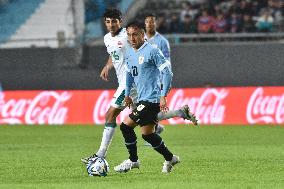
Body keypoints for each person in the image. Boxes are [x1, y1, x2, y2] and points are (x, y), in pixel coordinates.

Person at [81, 8, 197, 164]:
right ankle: (177, 114)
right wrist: (108, 66)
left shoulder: (128, 35)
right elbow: (113, 54)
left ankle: (102, 154)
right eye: (107, 22)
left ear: (120, 21)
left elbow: (144, 48)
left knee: (111, 115)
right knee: (146, 117)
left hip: (131, 84)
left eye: (114, 22)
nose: (111, 25)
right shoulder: (107, 38)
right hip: (125, 81)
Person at [114, 21, 179, 173]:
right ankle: (170, 158)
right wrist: (128, 93)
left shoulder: (152, 51)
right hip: (141, 98)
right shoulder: (129, 53)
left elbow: (167, 72)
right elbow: (130, 74)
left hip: (152, 99)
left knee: (125, 126)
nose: (132, 38)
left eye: (135, 34)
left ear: (142, 35)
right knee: (147, 135)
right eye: (129, 35)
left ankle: (133, 160)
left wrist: (163, 95)